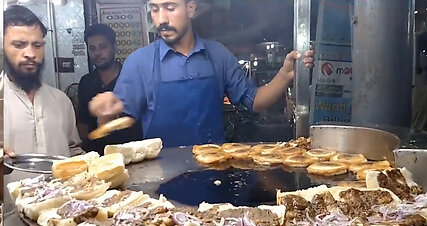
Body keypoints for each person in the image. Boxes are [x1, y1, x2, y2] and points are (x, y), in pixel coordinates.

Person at [89, 0, 314, 148]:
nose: (161, 19)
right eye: (155, 9)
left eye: (170, 7)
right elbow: (114, 122)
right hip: (159, 176)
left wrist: (285, 75)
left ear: (191, 8)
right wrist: (106, 113)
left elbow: (254, 100)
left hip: (213, 168)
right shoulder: (139, 62)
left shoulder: (218, 55)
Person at [2, 5, 83, 158]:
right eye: (19, 45)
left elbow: (73, 152)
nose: (30, 54)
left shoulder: (60, 101)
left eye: (37, 45)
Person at [77, 24, 143, 154]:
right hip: (98, 157)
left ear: (114, 47)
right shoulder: (86, 82)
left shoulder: (131, 78)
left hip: (131, 155)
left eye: (103, 47)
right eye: (92, 48)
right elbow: (82, 124)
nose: (98, 53)